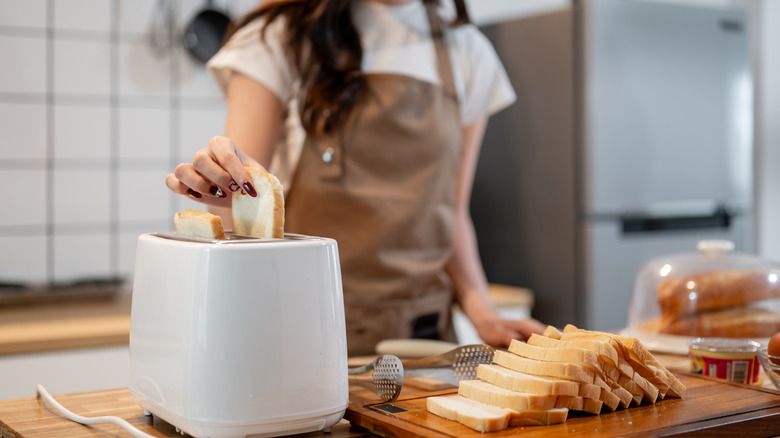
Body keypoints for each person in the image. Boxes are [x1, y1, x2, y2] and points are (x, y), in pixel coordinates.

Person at [165, 0, 546, 356]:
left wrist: (482, 312)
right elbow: (245, 209)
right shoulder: (279, 36)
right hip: (306, 335)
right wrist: (227, 187)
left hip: (425, 342)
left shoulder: (466, 52)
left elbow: (452, 211)